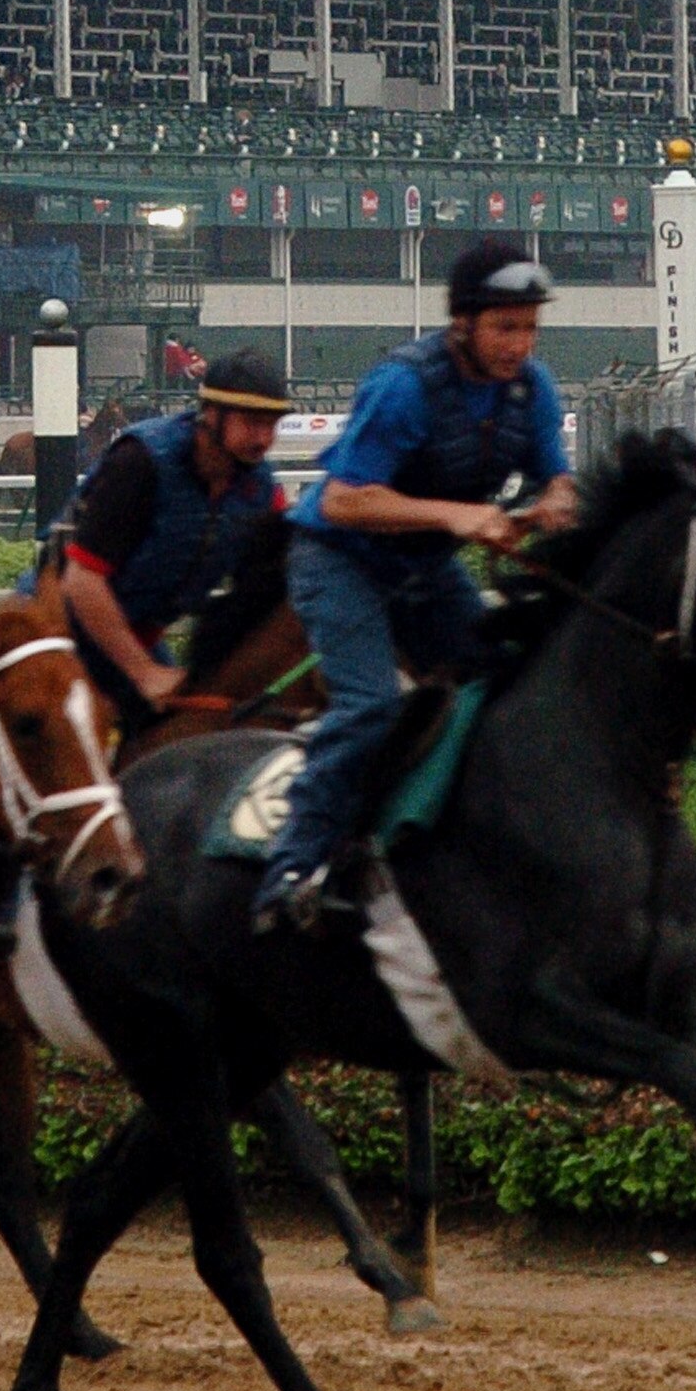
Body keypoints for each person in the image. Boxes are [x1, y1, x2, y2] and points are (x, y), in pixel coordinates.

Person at [251, 238, 578, 935]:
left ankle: (440, 840)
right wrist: (455, 515)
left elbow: (558, 477)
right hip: (340, 563)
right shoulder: (405, 384)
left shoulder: (532, 389)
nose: (520, 345)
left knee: (502, 685)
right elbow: (341, 501)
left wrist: (555, 502)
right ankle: (290, 869)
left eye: (529, 327)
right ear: (463, 322)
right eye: (504, 327)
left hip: (425, 571)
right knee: (370, 705)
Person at [55, 347, 295, 725]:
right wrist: (144, 673)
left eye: (272, 424)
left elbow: (279, 579)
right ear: (212, 415)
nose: (265, 439)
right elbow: (82, 580)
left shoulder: (263, 489)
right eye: (252, 422)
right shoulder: (141, 462)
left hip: (140, 642)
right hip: (57, 637)